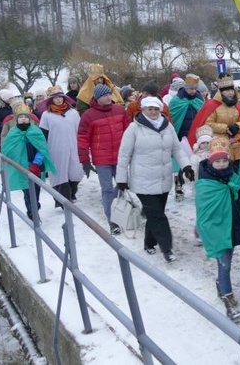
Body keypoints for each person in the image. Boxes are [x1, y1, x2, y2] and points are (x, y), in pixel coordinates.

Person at [116, 96, 193, 263]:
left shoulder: (168, 127)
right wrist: (122, 179)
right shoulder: (134, 128)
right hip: (143, 179)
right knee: (157, 215)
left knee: (156, 212)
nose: (153, 112)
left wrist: (186, 166)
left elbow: (177, 149)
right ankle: (167, 248)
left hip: (163, 179)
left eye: (156, 109)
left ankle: (149, 243)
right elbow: (124, 155)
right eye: (149, 109)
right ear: (142, 110)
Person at [195, 138, 240, 323]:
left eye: (224, 160)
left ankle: (220, 285)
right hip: (216, 228)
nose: (222, 164)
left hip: (231, 225)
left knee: (228, 258)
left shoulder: (233, 175)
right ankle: (228, 299)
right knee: (225, 264)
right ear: (210, 161)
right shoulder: (206, 183)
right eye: (217, 161)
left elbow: (239, 194)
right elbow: (203, 211)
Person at [77, 83, 130, 235]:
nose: (108, 97)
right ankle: (112, 222)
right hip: (102, 159)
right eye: (105, 95)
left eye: (109, 94)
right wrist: (84, 160)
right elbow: (82, 138)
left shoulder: (119, 110)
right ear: (97, 98)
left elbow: (129, 132)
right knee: (107, 190)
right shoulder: (88, 115)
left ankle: (120, 213)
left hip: (120, 156)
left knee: (122, 185)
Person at [2, 103, 56, 221]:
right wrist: (25, 164)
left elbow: (42, 148)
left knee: (36, 189)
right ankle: (32, 212)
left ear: (29, 118)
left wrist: (36, 163)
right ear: (17, 119)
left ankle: (35, 206)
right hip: (21, 167)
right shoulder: (13, 133)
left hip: (36, 166)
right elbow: (9, 151)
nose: (23, 119)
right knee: (27, 190)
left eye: (26, 117)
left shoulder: (35, 131)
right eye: (21, 117)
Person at [38, 86, 83, 207]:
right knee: (60, 175)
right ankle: (63, 200)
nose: (58, 100)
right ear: (51, 100)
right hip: (56, 148)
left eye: (60, 97)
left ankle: (72, 192)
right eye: (55, 98)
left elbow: (80, 130)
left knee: (75, 173)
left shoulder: (73, 113)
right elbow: (44, 134)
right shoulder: (46, 115)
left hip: (73, 147)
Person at [189, 77, 240, 172]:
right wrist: (226, 128)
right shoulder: (212, 105)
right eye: (227, 90)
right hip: (218, 143)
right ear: (221, 92)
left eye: (231, 90)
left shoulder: (236, 105)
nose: (230, 93)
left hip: (234, 143)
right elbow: (208, 123)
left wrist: (237, 126)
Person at [168, 74, 204, 201]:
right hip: (181, 135)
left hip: (196, 136)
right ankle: (179, 187)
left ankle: (197, 187)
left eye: (195, 89)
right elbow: (173, 118)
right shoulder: (176, 101)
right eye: (190, 89)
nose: (193, 91)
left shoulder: (199, 98)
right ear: (185, 88)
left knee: (197, 162)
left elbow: (203, 115)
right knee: (180, 164)